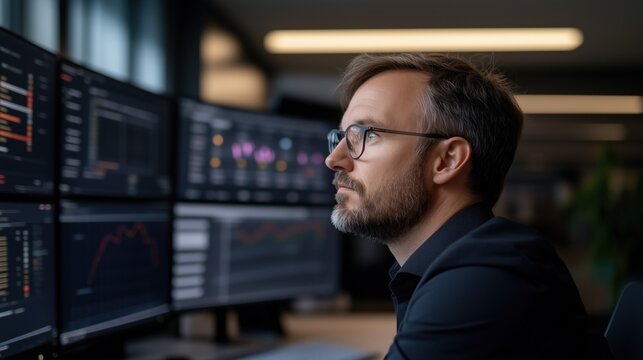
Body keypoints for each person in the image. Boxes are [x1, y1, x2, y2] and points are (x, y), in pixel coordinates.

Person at [325, 53, 613, 359]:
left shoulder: (486, 277)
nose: (334, 159)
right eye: (342, 136)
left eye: (365, 135)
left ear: (447, 161)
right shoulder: (463, 261)